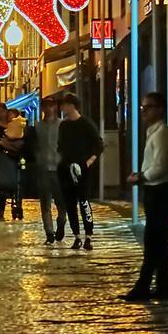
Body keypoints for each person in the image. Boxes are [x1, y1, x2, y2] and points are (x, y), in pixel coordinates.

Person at [126, 92, 168, 302]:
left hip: (161, 191)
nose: (144, 112)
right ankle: (163, 286)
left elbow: (161, 165)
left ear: (160, 109)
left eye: (148, 107)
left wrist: (141, 177)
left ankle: (143, 286)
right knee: (159, 242)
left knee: (153, 241)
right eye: (143, 108)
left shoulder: (163, 134)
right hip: (155, 190)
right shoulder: (154, 133)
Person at [58, 94, 104, 250]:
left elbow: (99, 145)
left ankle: (89, 235)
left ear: (72, 106)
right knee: (70, 203)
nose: (62, 108)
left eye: (64, 105)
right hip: (65, 168)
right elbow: (61, 146)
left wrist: (88, 162)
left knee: (84, 201)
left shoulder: (86, 124)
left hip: (82, 170)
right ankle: (76, 236)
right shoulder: (63, 126)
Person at [24, 98, 65, 244]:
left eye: (51, 106)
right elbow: (31, 146)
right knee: (45, 203)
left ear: (55, 107)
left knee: (62, 204)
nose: (48, 109)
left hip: (59, 168)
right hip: (43, 168)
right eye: (46, 106)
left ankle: (61, 223)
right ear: (42, 109)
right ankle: (49, 232)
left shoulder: (63, 125)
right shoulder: (36, 126)